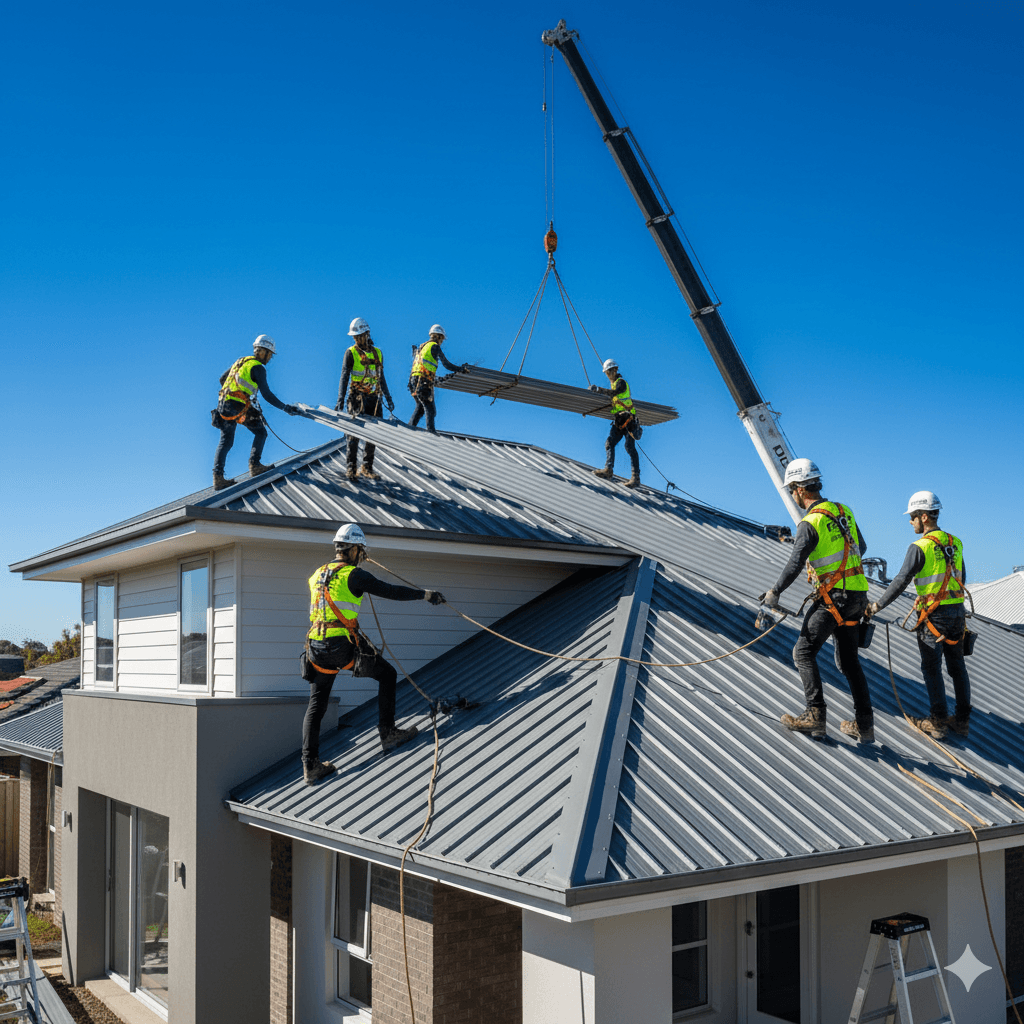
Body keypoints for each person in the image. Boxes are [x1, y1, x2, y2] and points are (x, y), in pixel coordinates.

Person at [302, 523, 446, 785]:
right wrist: (425, 595)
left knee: (317, 704)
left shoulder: (317, 573)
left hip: (315, 647)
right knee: (387, 674)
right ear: (355, 548)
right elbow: (391, 591)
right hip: (339, 647)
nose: (362, 555)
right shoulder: (353, 575)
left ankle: (310, 766)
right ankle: (388, 733)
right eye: (361, 550)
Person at [761, 458, 874, 743]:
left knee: (803, 652)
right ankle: (865, 726)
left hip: (834, 598)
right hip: (857, 595)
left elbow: (795, 562)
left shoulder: (810, 522)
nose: (792, 496)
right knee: (850, 662)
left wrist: (775, 592)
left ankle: (815, 716)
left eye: (792, 491)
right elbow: (860, 546)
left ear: (800, 488)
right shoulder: (841, 510)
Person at [864, 491, 971, 740]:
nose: (910, 522)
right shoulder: (955, 542)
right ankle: (962, 721)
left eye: (913, 517)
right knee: (957, 668)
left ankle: (937, 722)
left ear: (924, 516)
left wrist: (877, 605)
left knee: (931, 668)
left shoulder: (920, 546)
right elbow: (961, 577)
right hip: (957, 614)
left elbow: (901, 581)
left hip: (935, 617)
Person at [213, 335, 299, 490]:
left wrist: (239, 392)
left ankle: (218, 478)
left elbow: (222, 379)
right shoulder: (258, 368)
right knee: (261, 432)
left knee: (226, 441)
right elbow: (267, 394)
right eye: (270, 355)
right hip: (237, 405)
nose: (270, 358)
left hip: (223, 404)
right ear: (263, 352)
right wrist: (285, 408)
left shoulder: (241, 361)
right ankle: (255, 465)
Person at [336, 318, 394, 481]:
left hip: (374, 398)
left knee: (373, 434)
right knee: (353, 434)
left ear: (367, 334)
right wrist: (340, 398)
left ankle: (367, 467)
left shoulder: (378, 353)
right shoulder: (350, 352)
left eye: (359, 335)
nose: (357, 339)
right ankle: (351, 468)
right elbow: (344, 376)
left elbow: (381, 377)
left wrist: (388, 396)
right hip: (356, 398)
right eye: (355, 336)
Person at [589, 358, 641, 488]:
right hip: (619, 420)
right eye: (606, 373)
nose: (608, 375)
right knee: (610, 442)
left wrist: (599, 390)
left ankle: (635, 478)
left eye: (609, 372)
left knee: (630, 447)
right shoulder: (613, 384)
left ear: (615, 370)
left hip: (628, 420)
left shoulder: (621, 383)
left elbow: (615, 392)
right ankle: (608, 470)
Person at [408, 324, 468, 433]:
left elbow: (423, 367)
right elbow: (447, 364)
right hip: (423, 382)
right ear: (439, 337)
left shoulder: (422, 347)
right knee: (430, 410)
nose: (442, 342)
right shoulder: (434, 346)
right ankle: (431, 433)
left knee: (421, 407)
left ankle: (409, 429)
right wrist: (461, 369)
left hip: (414, 382)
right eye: (442, 339)